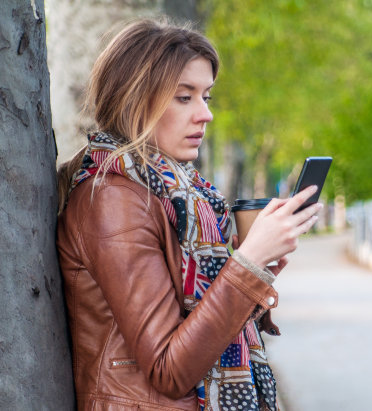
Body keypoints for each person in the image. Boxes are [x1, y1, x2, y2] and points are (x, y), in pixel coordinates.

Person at [56, 19, 321, 411]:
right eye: (185, 98)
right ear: (135, 99)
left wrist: (256, 264)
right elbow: (169, 369)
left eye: (206, 97)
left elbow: (195, 320)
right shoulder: (113, 199)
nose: (205, 114)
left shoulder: (179, 193)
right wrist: (245, 266)